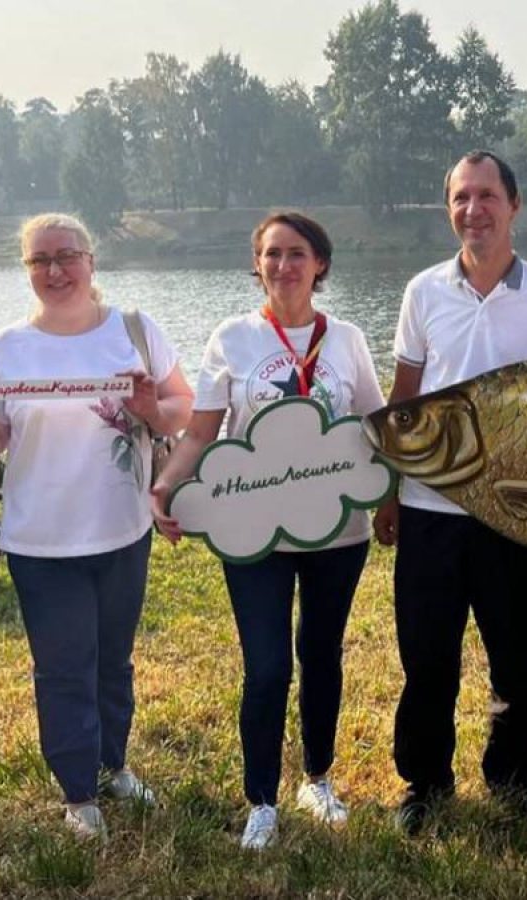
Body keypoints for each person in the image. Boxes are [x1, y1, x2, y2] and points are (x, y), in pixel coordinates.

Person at [0, 213, 193, 840]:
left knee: (113, 661)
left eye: (66, 256)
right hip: (40, 539)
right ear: (26, 270)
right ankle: (78, 791)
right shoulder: (7, 347)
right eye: (38, 261)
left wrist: (147, 408)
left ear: (91, 261)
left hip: (123, 531)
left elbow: (181, 407)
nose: (54, 271)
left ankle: (114, 764)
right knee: (63, 666)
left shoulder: (135, 330)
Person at [151, 212, 384, 851]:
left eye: (297, 253)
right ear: (256, 264)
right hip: (253, 531)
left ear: (321, 264)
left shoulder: (350, 341)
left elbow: (376, 424)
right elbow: (202, 431)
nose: (284, 266)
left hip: (339, 529)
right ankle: (261, 799)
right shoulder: (232, 337)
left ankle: (318, 778)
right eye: (272, 254)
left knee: (321, 653)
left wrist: (397, 494)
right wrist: (168, 483)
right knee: (268, 666)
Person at [374, 150, 527, 833]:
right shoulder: (422, 292)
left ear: (513, 206)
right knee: (426, 659)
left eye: (486, 196)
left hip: (514, 513)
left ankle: (514, 778)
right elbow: (404, 400)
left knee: (516, 660)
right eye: (461, 198)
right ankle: (425, 783)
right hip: (433, 510)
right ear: (450, 209)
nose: (473, 210)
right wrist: (388, 491)